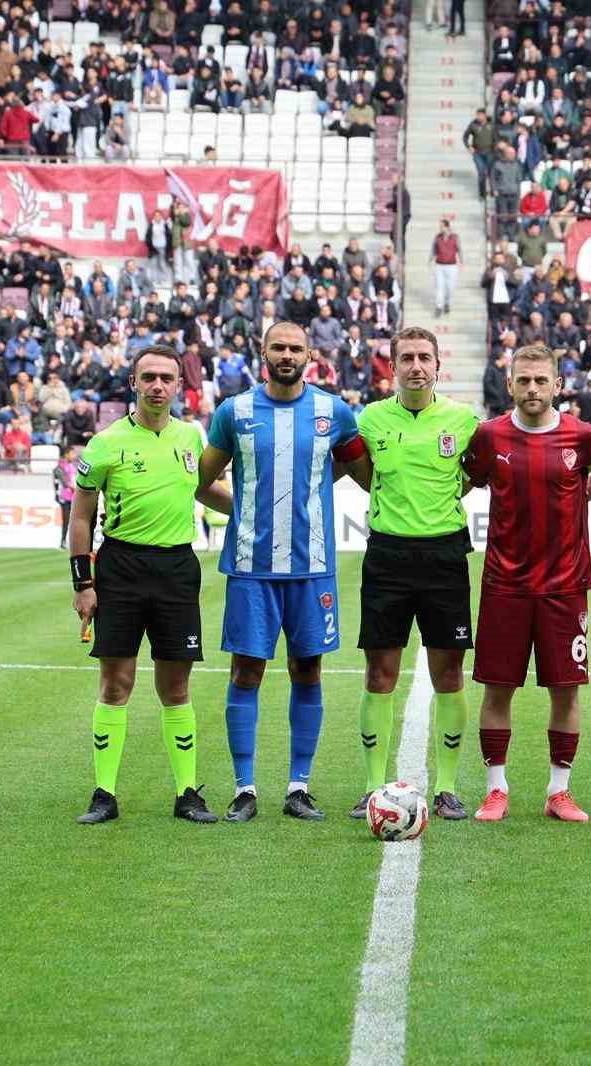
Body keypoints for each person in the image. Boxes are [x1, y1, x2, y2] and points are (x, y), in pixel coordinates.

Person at [196, 322, 370, 822]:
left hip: (312, 568)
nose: (287, 354)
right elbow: (202, 483)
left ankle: (299, 787)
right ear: (263, 350)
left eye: (296, 348)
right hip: (251, 568)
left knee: (307, 670)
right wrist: (248, 510)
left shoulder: (333, 411)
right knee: (246, 671)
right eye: (279, 347)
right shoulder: (235, 412)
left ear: (310, 354)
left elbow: (365, 473)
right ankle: (245, 789)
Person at [69, 344, 231, 826]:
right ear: (133, 384)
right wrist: (83, 583)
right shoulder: (105, 443)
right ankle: (104, 794)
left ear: (179, 385)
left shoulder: (191, 436)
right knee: (115, 683)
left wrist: (252, 514)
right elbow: (80, 516)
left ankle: (187, 793)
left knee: (176, 686)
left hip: (177, 569)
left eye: (167, 377)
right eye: (149, 377)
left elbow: (203, 489)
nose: (158, 385)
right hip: (120, 567)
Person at [461, 344, 591, 823]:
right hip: (504, 584)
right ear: (510, 385)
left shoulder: (582, 435)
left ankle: (559, 791)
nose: (533, 388)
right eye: (524, 380)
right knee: (497, 688)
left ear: (557, 385)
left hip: (565, 587)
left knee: (566, 691)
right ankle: (496, 789)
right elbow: (462, 483)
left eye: (541, 381)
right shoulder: (489, 436)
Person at [348, 326, 479, 820]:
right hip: (388, 557)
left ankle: (446, 788)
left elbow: (476, 474)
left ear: (438, 365)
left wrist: (439, 505)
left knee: (448, 672)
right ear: (394, 366)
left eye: (425, 357)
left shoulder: (464, 420)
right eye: (407, 358)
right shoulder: (371, 420)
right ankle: (371, 785)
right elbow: (364, 476)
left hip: (445, 557)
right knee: (380, 672)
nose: (417, 366)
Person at [430, 218, 461, 317]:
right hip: (440, 264)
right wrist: (430, 260)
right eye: (440, 227)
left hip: (451, 265)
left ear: (447, 227)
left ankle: (447, 303)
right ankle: (439, 306)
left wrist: (461, 261)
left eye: (442, 226)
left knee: (450, 287)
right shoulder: (437, 237)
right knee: (439, 287)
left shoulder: (455, 237)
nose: (441, 228)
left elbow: (459, 249)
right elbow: (434, 249)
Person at [54, 445, 78, 549]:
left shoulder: (71, 466)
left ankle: (72, 541)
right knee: (66, 519)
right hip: (65, 497)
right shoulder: (60, 466)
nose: (74, 455)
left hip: (73, 496)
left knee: (75, 520)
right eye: (72, 453)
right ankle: (63, 541)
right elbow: (64, 482)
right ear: (66, 454)